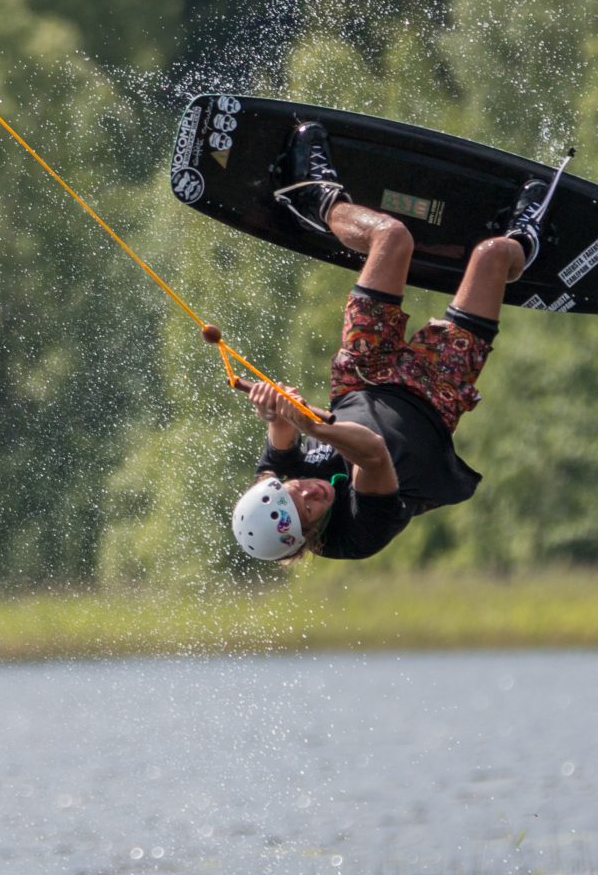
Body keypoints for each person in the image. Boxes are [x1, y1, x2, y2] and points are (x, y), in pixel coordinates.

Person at [231, 123, 551, 562]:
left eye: (293, 492)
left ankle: (315, 199)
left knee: (393, 237)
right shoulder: (352, 535)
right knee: (492, 255)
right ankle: (525, 239)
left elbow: (281, 434)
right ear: (306, 539)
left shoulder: (276, 483)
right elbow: (376, 457)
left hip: (362, 375)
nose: (307, 493)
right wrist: (316, 427)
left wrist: (275, 409)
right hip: (436, 400)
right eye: (307, 512)